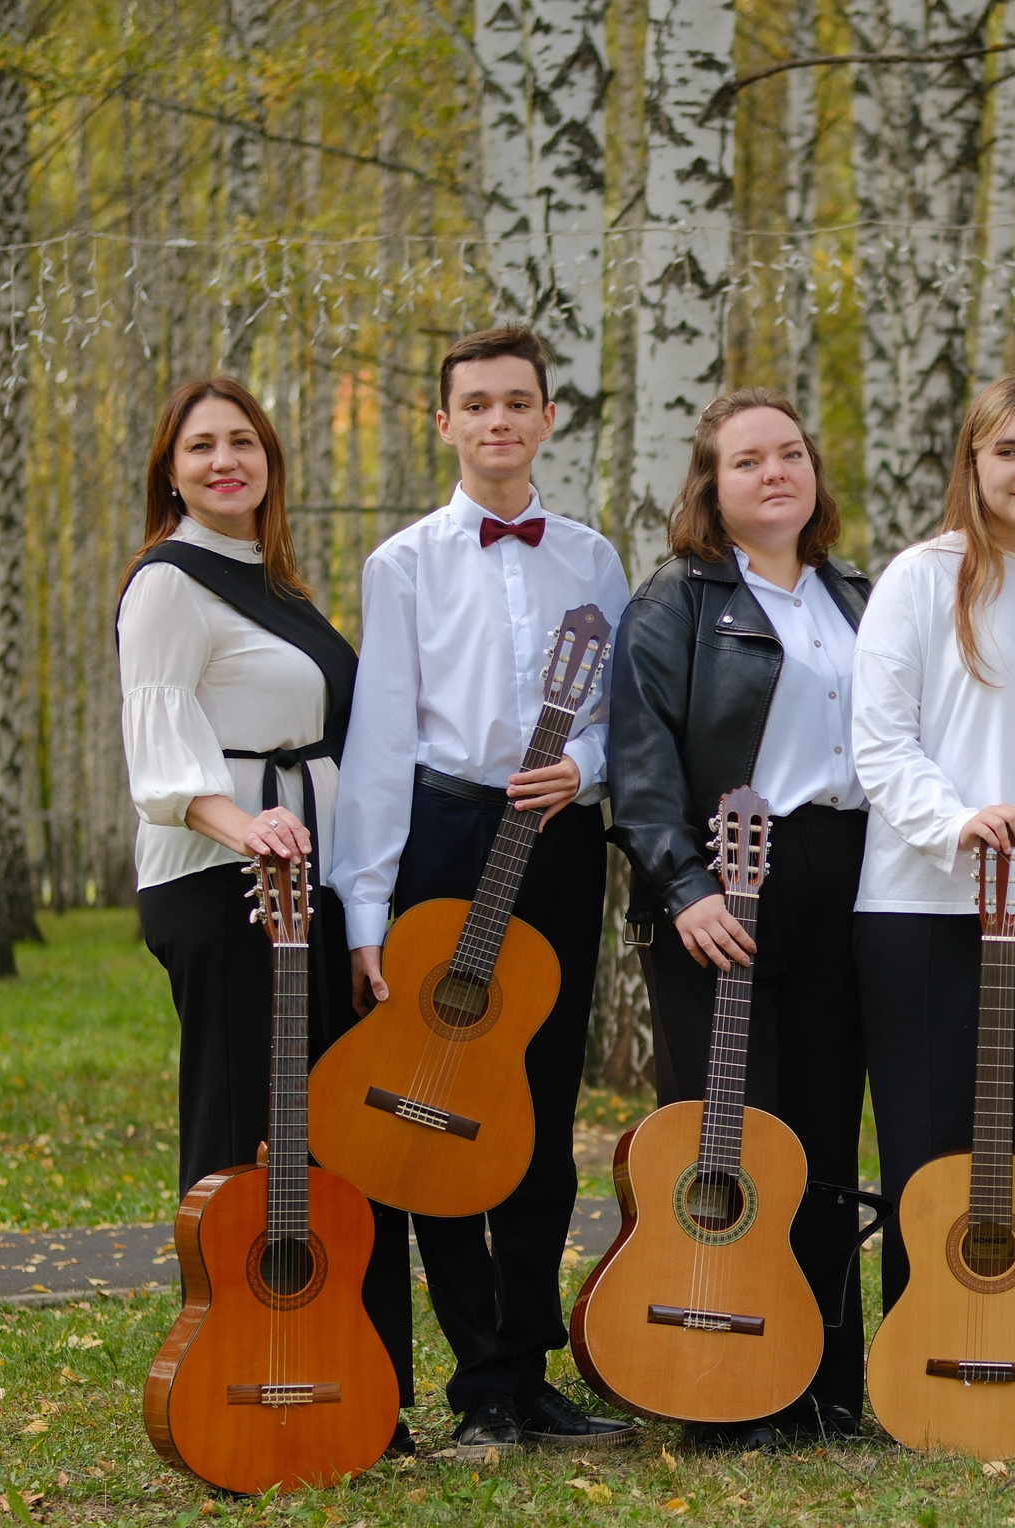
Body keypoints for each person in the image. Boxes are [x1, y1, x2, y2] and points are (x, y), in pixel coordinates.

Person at [330, 327, 634, 1453]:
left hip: (554, 836)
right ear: (444, 421)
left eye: (520, 403)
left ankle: (526, 1372)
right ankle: (477, 1382)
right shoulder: (403, 563)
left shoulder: (595, 560)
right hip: (446, 832)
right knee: (435, 1108)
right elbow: (377, 743)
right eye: (478, 405)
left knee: (537, 1111)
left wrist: (585, 769)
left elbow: (612, 716)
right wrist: (367, 911)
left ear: (550, 419)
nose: (500, 422)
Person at [117, 375, 416, 1451]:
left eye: (242, 442)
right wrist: (243, 828)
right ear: (170, 469)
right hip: (223, 883)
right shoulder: (167, 583)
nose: (222, 461)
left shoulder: (276, 587)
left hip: (311, 884)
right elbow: (158, 744)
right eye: (199, 446)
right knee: (244, 1131)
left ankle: (363, 1383)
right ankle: (234, 1369)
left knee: (337, 1132)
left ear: (271, 463)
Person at [608, 388, 872, 1449]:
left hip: (844, 873)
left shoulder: (858, 594)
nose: (775, 473)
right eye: (748, 460)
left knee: (820, 1136)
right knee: (730, 1141)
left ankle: (825, 1384)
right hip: (726, 876)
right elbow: (638, 764)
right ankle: (728, 1384)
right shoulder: (675, 603)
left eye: (792, 454)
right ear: (710, 488)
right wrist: (684, 889)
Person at [850, 374, 1015, 1307]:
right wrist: (959, 823)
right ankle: (926, 1346)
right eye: (1009, 450)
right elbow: (880, 742)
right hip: (926, 905)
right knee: (933, 1145)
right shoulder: (922, 577)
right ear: (974, 462)